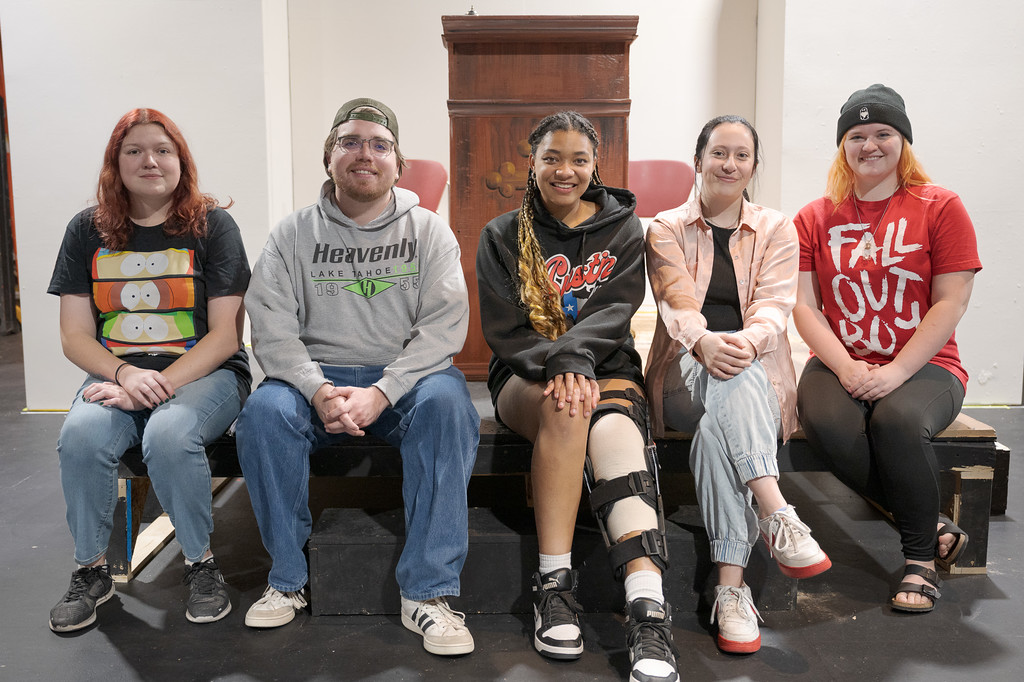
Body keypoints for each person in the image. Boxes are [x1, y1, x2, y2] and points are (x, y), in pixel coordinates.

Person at [235, 98, 479, 655]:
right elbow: (270, 326)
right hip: (313, 379)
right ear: (329, 158)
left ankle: (429, 593)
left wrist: (382, 392)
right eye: (349, 142)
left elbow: (443, 330)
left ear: (398, 164)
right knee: (263, 414)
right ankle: (287, 581)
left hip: (404, 380)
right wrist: (317, 389)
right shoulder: (291, 234)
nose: (363, 154)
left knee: (448, 407)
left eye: (379, 144)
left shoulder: (429, 232)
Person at [476, 111, 678, 682]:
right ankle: (554, 585)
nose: (565, 171)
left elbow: (615, 314)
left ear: (596, 166)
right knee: (566, 407)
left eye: (579, 160)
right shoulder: (500, 235)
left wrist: (575, 359)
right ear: (532, 164)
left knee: (613, 432)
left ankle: (647, 609)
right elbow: (506, 331)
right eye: (552, 159)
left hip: (606, 365)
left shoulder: (622, 228)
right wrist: (558, 365)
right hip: (525, 371)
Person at [46, 109, 251, 632]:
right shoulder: (86, 230)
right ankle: (89, 570)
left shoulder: (213, 225)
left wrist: (157, 385)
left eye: (162, 149)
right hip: (117, 376)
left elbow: (226, 334)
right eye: (134, 150)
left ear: (181, 160)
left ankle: (200, 565)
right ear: (116, 163)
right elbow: (74, 335)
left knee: (169, 430)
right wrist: (124, 377)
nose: (149, 161)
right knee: (82, 435)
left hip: (207, 374)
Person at [644, 115, 831, 654]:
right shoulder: (665, 228)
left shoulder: (776, 227)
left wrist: (746, 343)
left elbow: (774, 307)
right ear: (698, 160)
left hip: (750, 375)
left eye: (742, 155)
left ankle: (731, 590)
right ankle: (776, 511)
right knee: (730, 370)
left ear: (753, 165)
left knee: (717, 425)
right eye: (719, 153)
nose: (730, 164)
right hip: (684, 372)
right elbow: (676, 303)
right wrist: (705, 343)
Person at [792, 84, 980, 613]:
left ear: (904, 141)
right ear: (842, 146)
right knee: (825, 423)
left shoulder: (940, 206)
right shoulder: (815, 217)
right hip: (839, 360)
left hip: (927, 365)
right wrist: (848, 366)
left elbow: (951, 301)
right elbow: (804, 307)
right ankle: (933, 522)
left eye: (883, 134)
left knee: (895, 423)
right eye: (856, 135)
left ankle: (920, 559)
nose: (869, 145)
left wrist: (895, 371)